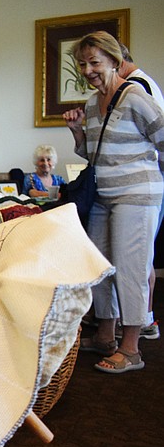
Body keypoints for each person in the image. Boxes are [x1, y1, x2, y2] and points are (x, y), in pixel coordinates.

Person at [62, 31, 164, 374]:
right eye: (82, 63)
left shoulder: (135, 95)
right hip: (103, 195)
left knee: (131, 268)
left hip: (137, 195)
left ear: (114, 61)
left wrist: (152, 175)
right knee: (100, 265)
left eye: (95, 62)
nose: (88, 69)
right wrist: (77, 132)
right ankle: (105, 335)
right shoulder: (92, 104)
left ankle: (131, 348)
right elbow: (92, 153)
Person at [116, 43, 164, 341]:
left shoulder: (134, 89)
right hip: (148, 184)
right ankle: (144, 318)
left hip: (139, 187)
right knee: (142, 257)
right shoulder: (146, 84)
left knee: (135, 259)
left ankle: (142, 323)